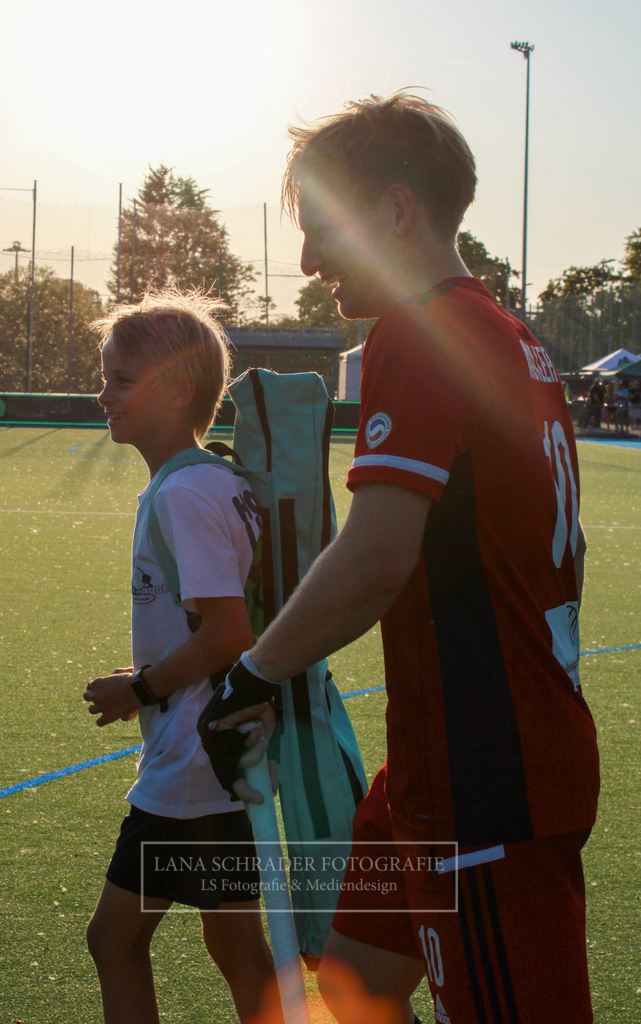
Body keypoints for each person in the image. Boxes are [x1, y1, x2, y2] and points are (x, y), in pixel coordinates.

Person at [197, 92, 600, 1024]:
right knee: (352, 999)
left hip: (483, 779)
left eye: (322, 227)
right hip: (441, 767)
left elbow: (378, 558)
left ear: (394, 211)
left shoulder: (417, 335)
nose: (306, 260)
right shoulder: (509, 336)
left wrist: (251, 674)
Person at [82, 290, 276, 1024]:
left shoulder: (186, 493)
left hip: (194, 762)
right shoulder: (211, 478)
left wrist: (141, 688)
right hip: (220, 755)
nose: (104, 395)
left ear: (178, 388)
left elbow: (228, 634)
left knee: (113, 940)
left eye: (122, 380)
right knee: (235, 945)